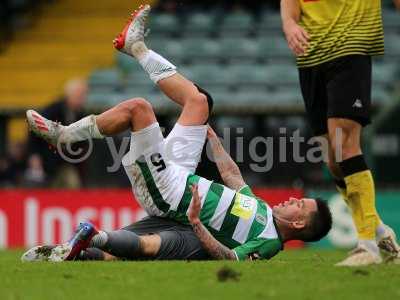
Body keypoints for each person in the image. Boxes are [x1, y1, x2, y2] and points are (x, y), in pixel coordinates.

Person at [24, 4, 332, 262]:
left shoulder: (267, 243)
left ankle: (62, 136)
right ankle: (136, 47)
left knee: (138, 109)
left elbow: (230, 258)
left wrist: (197, 223)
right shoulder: (263, 211)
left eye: (299, 204)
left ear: (299, 222)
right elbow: (235, 179)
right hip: (182, 175)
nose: (293, 198)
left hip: (172, 194)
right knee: (199, 102)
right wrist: (215, 144)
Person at [281, 0, 400, 266]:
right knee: (334, 163)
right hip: (311, 56)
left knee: (346, 145)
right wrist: (289, 25)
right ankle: (380, 230)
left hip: (350, 47)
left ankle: (367, 244)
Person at [27, 78, 89, 188]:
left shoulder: (81, 114)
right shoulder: (52, 110)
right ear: (69, 94)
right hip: (49, 161)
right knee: (50, 190)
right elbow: (35, 130)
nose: (83, 99)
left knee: (73, 186)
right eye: (80, 96)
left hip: (68, 163)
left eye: (84, 96)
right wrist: (34, 155)